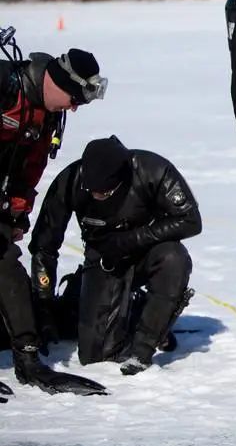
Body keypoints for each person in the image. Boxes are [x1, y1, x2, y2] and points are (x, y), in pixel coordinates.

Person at [29, 136, 199, 376]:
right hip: (104, 258)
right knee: (95, 357)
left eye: (104, 191)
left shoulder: (153, 170)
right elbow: (44, 246)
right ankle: (111, 305)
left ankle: (145, 345)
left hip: (148, 251)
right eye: (92, 191)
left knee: (174, 258)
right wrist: (43, 306)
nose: (97, 195)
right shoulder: (71, 179)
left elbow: (190, 220)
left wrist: (132, 240)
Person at [0, 38, 107, 396]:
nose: (74, 109)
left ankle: (28, 360)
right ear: (57, 83)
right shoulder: (5, 87)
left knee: (7, 267)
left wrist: (17, 211)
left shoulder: (48, 114)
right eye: (74, 100)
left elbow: (30, 167)